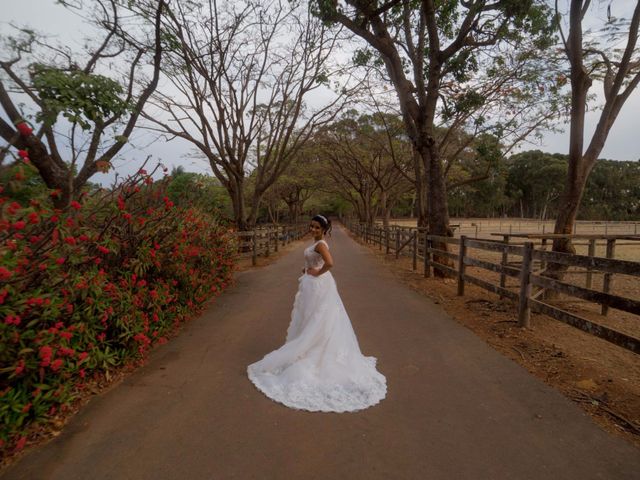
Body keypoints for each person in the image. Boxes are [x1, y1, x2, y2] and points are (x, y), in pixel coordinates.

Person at [247, 215, 387, 412]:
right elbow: (318, 262)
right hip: (314, 283)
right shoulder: (317, 242)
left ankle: (313, 348)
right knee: (313, 318)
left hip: (318, 285)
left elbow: (330, 263)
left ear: (323, 229)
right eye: (311, 226)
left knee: (318, 318)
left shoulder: (321, 244)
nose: (312, 229)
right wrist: (307, 269)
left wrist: (316, 273)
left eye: (316, 227)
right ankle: (310, 344)